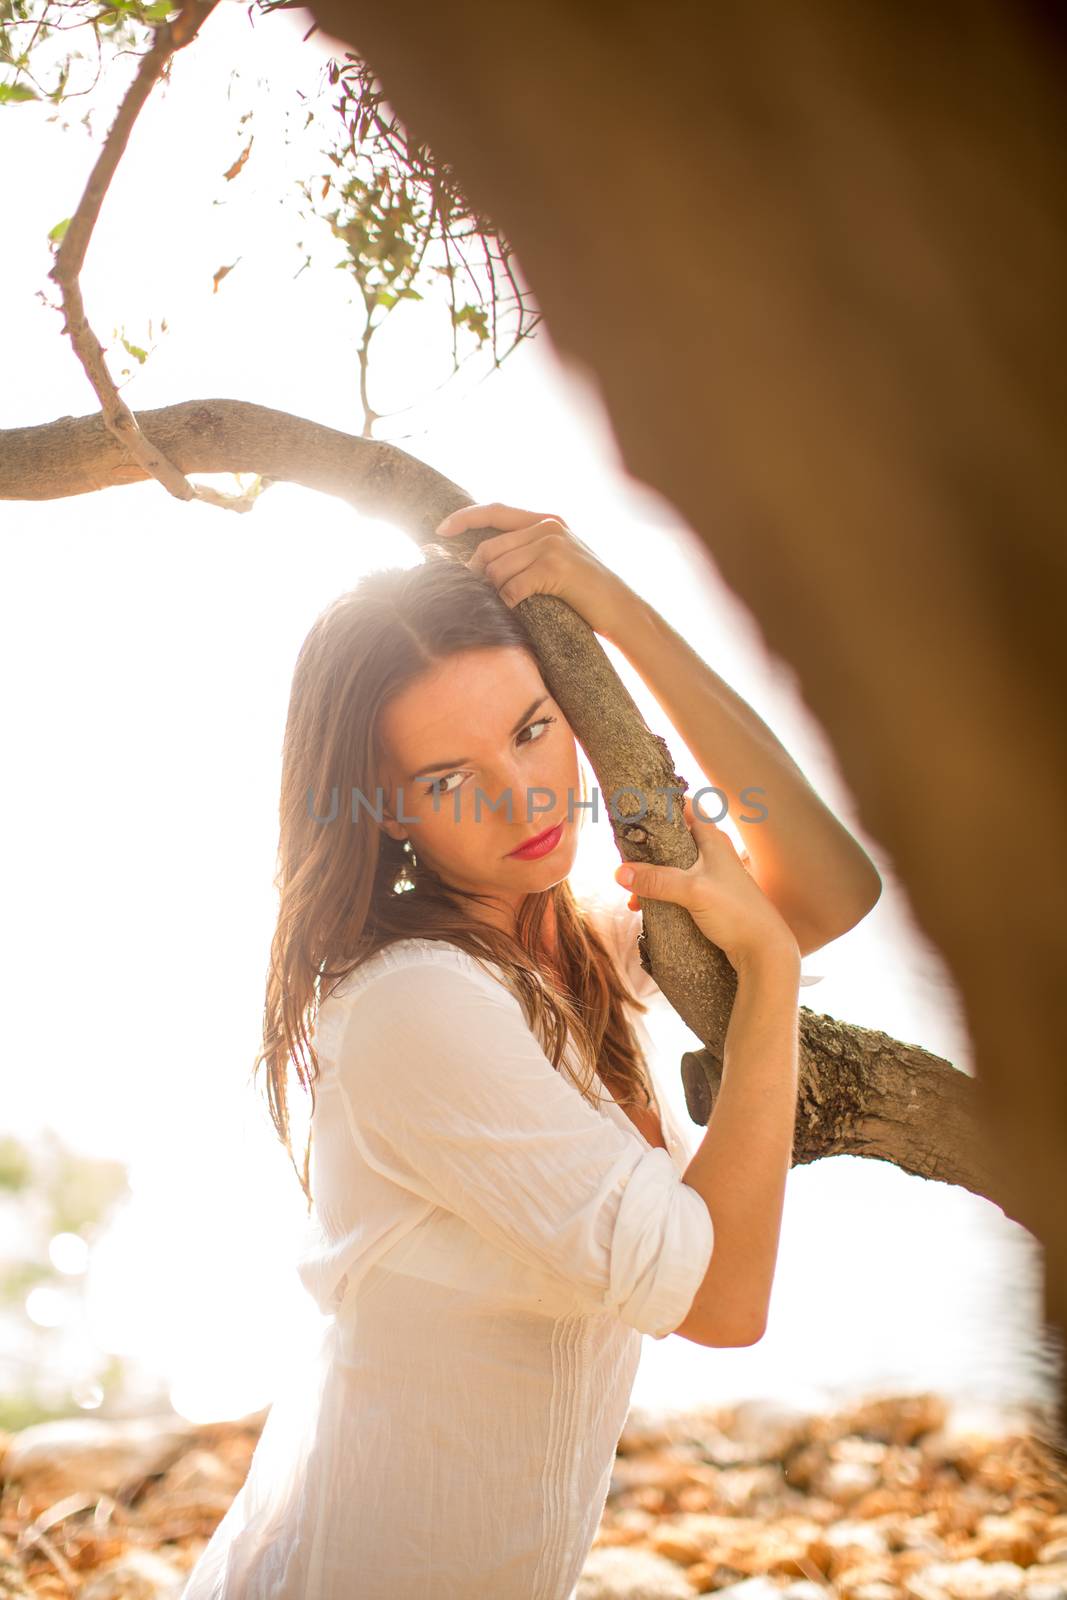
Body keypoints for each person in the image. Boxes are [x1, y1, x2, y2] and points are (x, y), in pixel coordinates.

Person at [179, 503, 880, 1599]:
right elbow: (722, 1300)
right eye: (450, 781)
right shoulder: (417, 1007)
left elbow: (832, 887)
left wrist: (618, 615)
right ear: (386, 815)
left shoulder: (566, 945)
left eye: (532, 726)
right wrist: (769, 980)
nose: (525, 797)